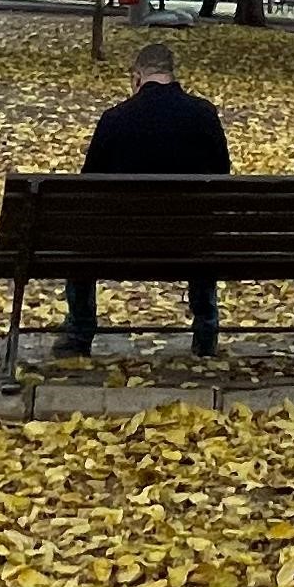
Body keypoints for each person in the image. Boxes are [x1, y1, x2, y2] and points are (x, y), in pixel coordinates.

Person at [52, 39, 230, 359]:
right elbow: (222, 177)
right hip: (191, 244)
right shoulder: (204, 115)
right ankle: (206, 330)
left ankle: (80, 331)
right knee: (203, 224)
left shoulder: (115, 118)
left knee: (77, 233)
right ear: (173, 76)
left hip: (120, 246)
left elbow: (88, 187)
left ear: (137, 77)